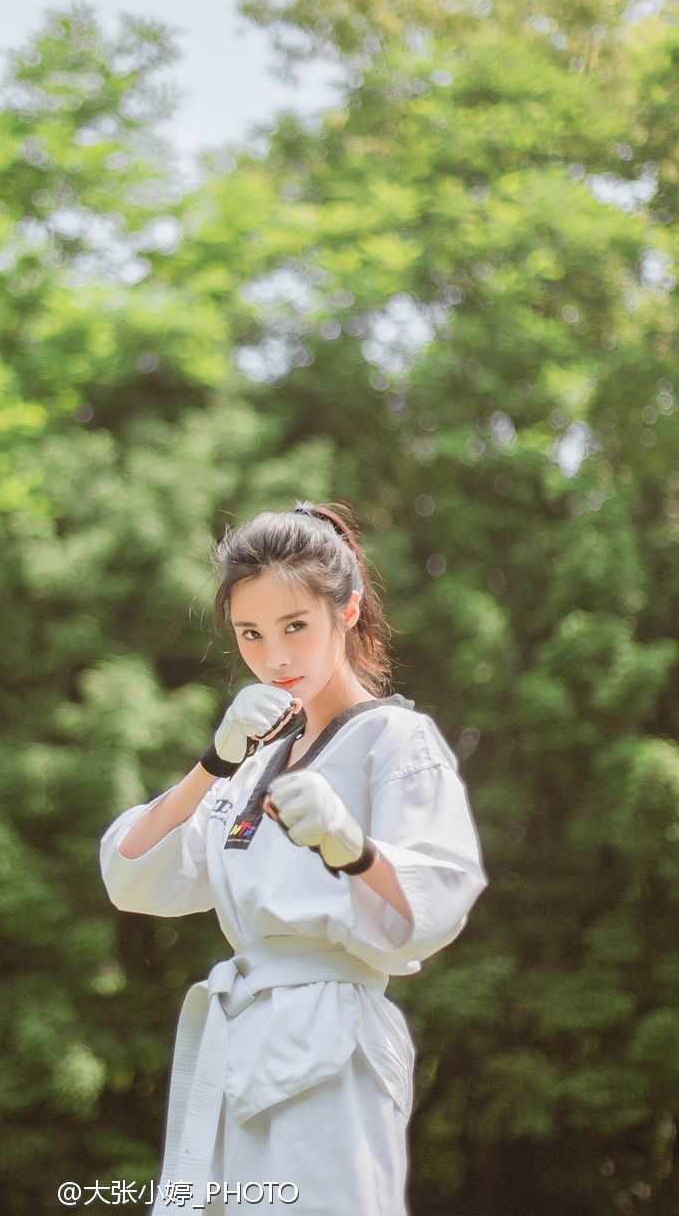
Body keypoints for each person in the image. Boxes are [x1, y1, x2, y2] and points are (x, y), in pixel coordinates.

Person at [99, 501, 486, 1216]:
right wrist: (214, 763)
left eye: (295, 627)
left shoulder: (396, 740)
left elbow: (439, 897)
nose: (273, 656)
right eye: (250, 633)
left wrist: (352, 848)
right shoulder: (250, 765)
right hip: (236, 1042)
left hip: (332, 1043)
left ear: (348, 611)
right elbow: (132, 874)